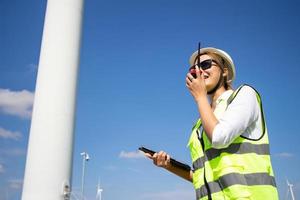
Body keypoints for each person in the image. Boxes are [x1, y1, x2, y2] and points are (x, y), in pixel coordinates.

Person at [144, 45, 279, 200]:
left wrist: (200, 97)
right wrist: (168, 166)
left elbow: (219, 137)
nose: (199, 71)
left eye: (205, 64)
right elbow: (201, 177)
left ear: (225, 71)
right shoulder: (200, 125)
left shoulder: (244, 95)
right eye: (194, 69)